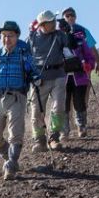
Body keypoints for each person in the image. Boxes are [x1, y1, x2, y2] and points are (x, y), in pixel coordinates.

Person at [0, 20, 34, 180]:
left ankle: (11, 164)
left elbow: (33, 71)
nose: (6, 39)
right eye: (4, 36)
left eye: (10, 36)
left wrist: (36, 76)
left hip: (17, 97)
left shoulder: (24, 54)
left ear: (17, 36)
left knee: (15, 134)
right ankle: (9, 158)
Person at [26, 10, 71, 151]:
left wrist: (67, 31)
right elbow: (26, 58)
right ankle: (39, 140)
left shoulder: (59, 35)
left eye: (54, 21)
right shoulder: (32, 39)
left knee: (58, 108)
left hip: (59, 75)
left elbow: (71, 44)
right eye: (50, 22)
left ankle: (54, 137)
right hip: (39, 78)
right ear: (42, 24)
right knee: (37, 111)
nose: (54, 24)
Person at [59, 15, 97, 137]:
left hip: (79, 76)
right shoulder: (56, 43)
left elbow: (89, 56)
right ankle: (64, 130)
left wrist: (89, 65)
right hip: (62, 78)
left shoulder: (79, 39)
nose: (64, 30)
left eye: (66, 28)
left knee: (79, 102)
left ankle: (81, 127)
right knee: (63, 104)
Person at [61, 7, 99, 77]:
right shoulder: (59, 33)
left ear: (76, 17)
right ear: (63, 18)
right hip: (67, 66)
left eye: (72, 15)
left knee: (86, 86)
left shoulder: (84, 30)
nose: (70, 17)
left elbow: (92, 47)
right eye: (67, 16)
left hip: (84, 65)